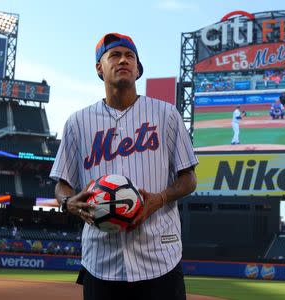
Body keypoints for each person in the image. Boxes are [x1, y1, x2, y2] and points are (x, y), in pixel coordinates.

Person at [49, 33, 198, 300]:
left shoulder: (167, 115)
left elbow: (189, 179)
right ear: (99, 67)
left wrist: (160, 198)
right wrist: (67, 202)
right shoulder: (78, 122)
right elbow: (62, 183)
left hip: (160, 258)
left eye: (130, 56)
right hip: (101, 262)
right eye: (114, 55)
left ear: (138, 68)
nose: (123, 60)